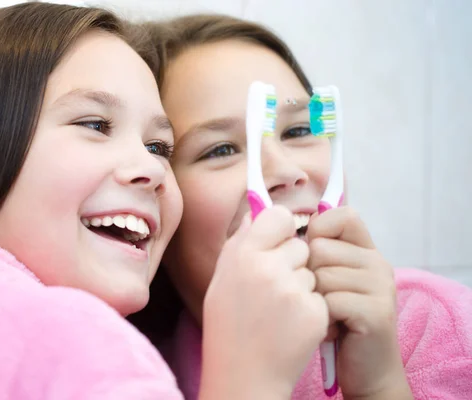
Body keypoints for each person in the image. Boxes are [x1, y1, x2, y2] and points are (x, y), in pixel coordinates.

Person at [0, 3, 329, 399]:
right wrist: (249, 381)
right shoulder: (83, 348)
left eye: (159, 148)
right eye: (94, 125)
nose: (151, 170)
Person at [129, 13, 472, 400]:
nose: (286, 171)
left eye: (297, 131)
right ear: (157, 199)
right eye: (221, 149)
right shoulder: (137, 372)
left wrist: (379, 386)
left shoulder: (446, 329)